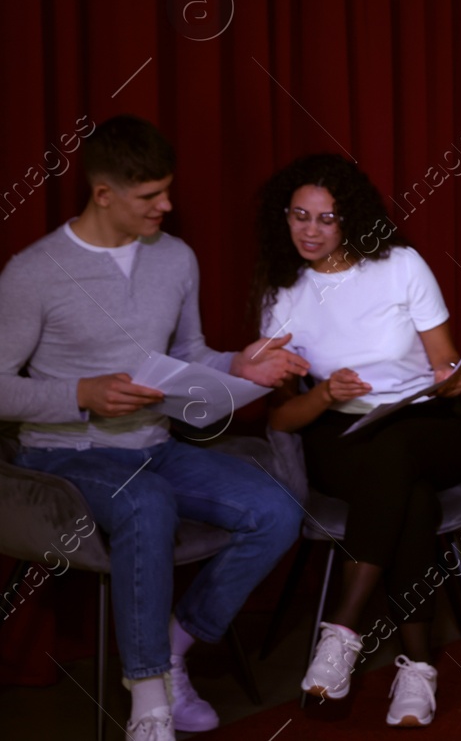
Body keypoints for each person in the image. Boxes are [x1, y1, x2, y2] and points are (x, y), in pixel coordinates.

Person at [0, 115, 305, 741]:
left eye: (168, 190)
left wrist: (240, 364)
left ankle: (170, 654)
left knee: (277, 509)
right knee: (146, 501)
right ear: (103, 193)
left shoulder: (176, 258)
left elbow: (191, 354)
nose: (166, 205)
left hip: (153, 444)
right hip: (62, 456)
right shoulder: (32, 272)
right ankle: (148, 702)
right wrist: (80, 395)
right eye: (149, 196)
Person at [251, 154, 461, 728]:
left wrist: (452, 379)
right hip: (341, 435)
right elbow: (280, 420)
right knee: (411, 498)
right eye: (299, 215)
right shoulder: (284, 293)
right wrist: (325, 394)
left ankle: (343, 629)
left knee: (397, 453)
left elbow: (446, 363)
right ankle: (420, 668)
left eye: (326, 218)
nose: (310, 229)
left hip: (428, 426)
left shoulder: (401, 266)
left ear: (350, 220)